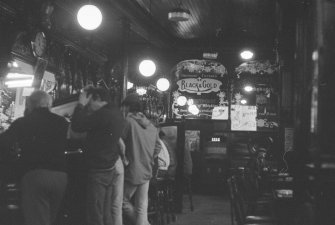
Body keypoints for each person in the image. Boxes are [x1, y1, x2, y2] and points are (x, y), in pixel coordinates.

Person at [0, 90, 68, 225]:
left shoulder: (23, 122)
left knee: (36, 219)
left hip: (35, 175)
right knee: (51, 218)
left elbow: (4, 142)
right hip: (61, 176)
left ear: (30, 105)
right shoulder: (62, 122)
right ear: (49, 104)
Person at [71, 86, 125, 225]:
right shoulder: (116, 112)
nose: (89, 107)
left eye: (90, 103)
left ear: (97, 99)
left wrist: (80, 104)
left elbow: (77, 125)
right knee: (105, 211)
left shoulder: (103, 114)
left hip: (98, 168)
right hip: (110, 165)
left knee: (95, 211)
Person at [121, 93, 161, 225]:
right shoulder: (151, 126)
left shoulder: (128, 122)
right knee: (142, 206)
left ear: (127, 107)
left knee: (122, 202)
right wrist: (148, 157)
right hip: (147, 169)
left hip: (132, 170)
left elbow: (119, 141)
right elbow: (158, 147)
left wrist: (126, 158)